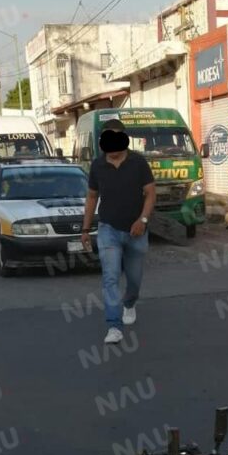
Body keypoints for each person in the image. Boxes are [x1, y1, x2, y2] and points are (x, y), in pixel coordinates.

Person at [81, 118, 156, 345]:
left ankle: (129, 303)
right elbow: (92, 197)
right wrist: (85, 229)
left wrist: (143, 220)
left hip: (136, 231)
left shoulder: (138, 162)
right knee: (110, 277)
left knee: (134, 279)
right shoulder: (97, 166)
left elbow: (151, 194)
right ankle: (114, 326)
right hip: (108, 230)